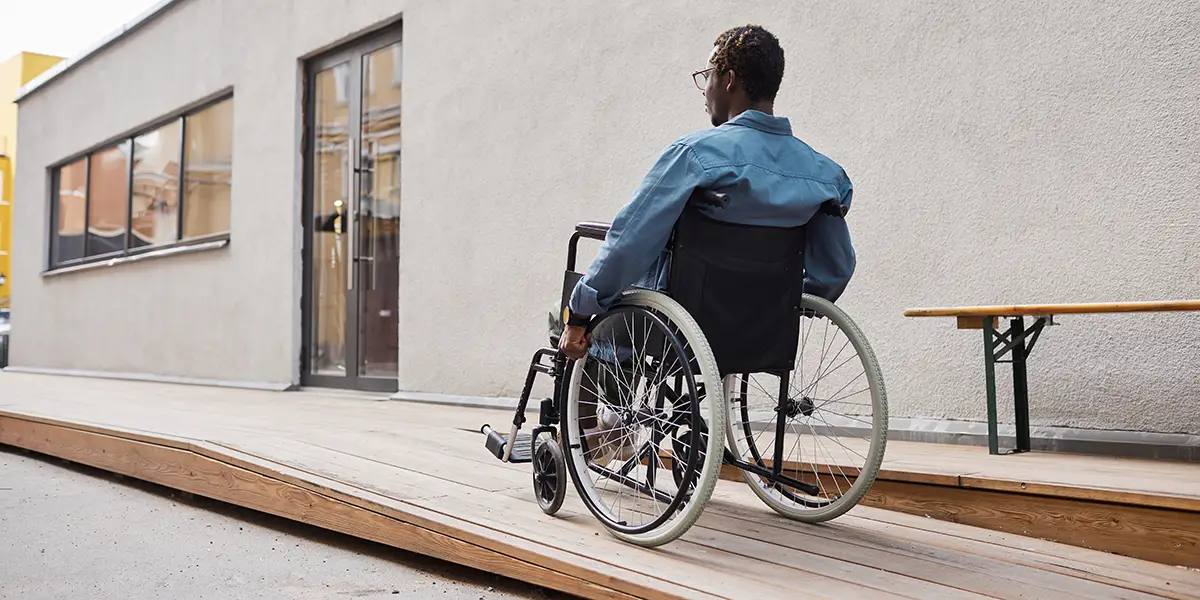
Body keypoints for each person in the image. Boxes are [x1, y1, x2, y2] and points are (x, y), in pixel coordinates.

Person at [556, 24, 857, 362]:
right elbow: (836, 270)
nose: (704, 89)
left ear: (729, 79)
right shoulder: (824, 176)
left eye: (708, 75)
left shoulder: (695, 155)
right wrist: (782, 301)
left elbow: (630, 241)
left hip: (673, 327)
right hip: (763, 329)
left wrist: (579, 312)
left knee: (563, 315)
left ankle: (604, 414)